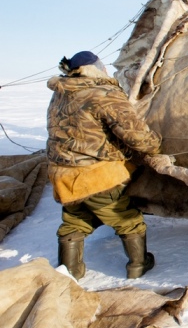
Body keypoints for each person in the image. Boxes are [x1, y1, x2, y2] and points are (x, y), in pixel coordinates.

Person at [46, 51, 166, 280]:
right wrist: (155, 145)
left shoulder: (62, 92)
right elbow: (134, 134)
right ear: (93, 68)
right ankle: (138, 265)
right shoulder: (102, 93)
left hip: (62, 173)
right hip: (96, 173)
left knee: (74, 221)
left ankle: (69, 271)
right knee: (126, 219)